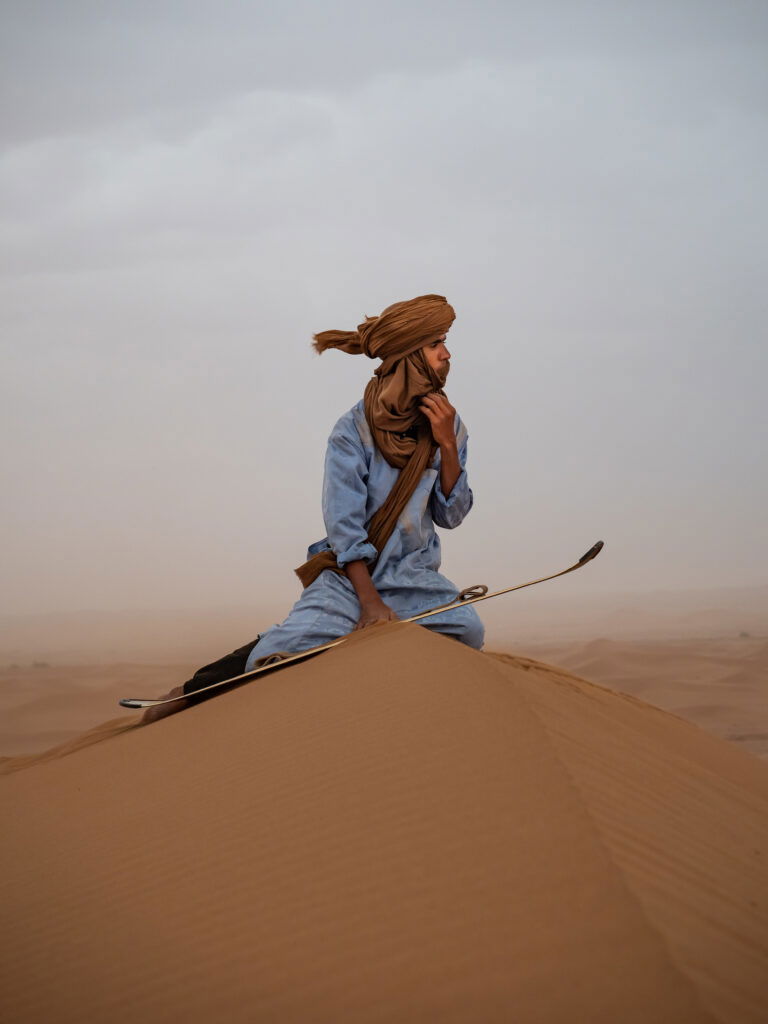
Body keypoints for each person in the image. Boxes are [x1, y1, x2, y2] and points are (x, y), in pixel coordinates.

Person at [143, 294, 483, 723]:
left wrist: (448, 445)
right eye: (436, 343)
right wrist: (370, 605)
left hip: (412, 580)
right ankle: (196, 688)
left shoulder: (448, 427)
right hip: (350, 580)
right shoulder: (352, 431)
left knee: (468, 630)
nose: (446, 353)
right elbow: (343, 528)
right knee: (287, 652)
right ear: (410, 355)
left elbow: (450, 516)